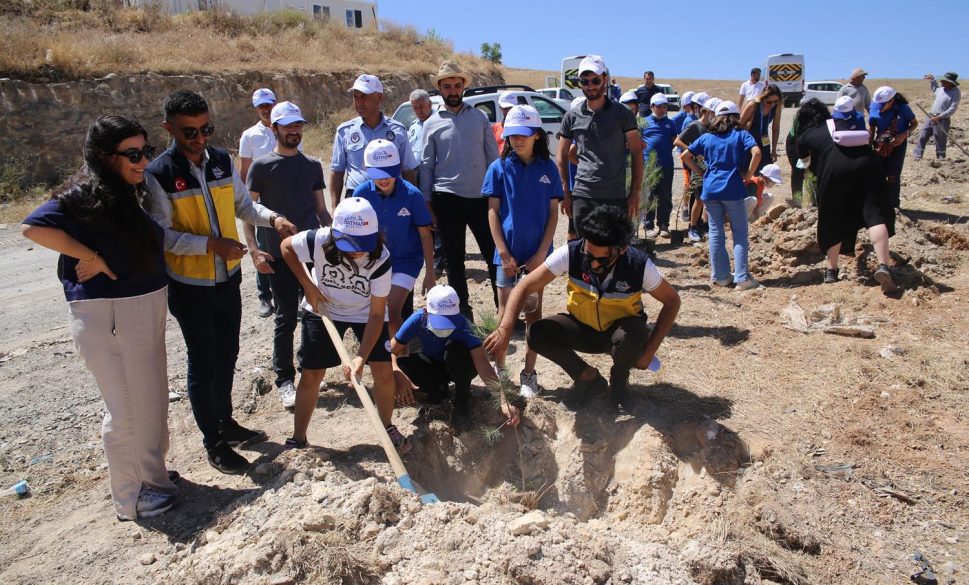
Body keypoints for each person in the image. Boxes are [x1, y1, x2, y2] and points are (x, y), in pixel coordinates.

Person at [22, 116, 178, 520]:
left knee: (151, 400)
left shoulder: (129, 191)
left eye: (146, 150)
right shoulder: (84, 194)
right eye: (132, 154)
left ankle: (153, 475)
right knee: (127, 408)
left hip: (142, 304)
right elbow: (33, 228)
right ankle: (132, 497)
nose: (143, 160)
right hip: (110, 313)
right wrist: (89, 257)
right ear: (106, 157)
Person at [145, 90, 296, 474]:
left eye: (205, 129)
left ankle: (225, 423)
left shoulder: (221, 162)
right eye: (189, 132)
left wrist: (272, 218)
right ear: (169, 129)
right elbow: (160, 235)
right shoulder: (159, 174)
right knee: (204, 363)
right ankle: (213, 442)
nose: (199, 138)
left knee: (227, 355)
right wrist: (210, 245)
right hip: (189, 285)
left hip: (227, 280)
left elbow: (244, 205)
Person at [484, 206, 681, 410]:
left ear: (621, 249)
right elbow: (524, 286)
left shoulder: (638, 265)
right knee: (537, 333)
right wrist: (505, 328)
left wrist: (650, 351)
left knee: (636, 333)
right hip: (582, 329)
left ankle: (619, 381)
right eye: (589, 256)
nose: (594, 264)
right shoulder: (572, 252)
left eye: (602, 259)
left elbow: (672, 301)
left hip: (618, 335)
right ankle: (587, 378)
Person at [279, 197, 409, 452]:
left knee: (382, 370)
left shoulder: (381, 260)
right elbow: (286, 247)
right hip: (324, 309)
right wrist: (307, 284)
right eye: (350, 245)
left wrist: (360, 358)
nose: (357, 252)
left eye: (362, 244)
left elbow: (375, 315)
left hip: (364, 314)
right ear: (335, 234)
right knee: (312, 373)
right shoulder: (318, 239)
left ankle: (387, 427)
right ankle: (299, 437)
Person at [242, 101, 329, 410]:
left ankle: (310, 370)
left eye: (298, 125)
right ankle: (284, 379)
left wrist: (336, 243)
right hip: (277, 257)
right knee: (285, 317)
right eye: (288, 125)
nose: (294, 130)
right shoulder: (262, 166)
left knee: (313, 312)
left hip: (309, 253)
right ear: (274, 128)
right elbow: (248, 211)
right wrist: (254, 251)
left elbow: (321, 210)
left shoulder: (312, 166)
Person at [484, 105, 562, 398]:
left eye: (523, 135)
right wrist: (503, 252)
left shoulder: (548, 169)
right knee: (504, 313)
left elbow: (553, 214)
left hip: (537, 260)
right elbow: (492, 213)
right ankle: (501, 372)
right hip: (507, 258)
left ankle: (529, 374)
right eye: (511, 135)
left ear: (537, 136)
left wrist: (542, 252)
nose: (516, 141)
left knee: (533, 315)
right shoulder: (498, 168)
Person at [420, 60, 500, 318]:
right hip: (447, 199)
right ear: (440, 90)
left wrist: (497, 198)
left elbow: (493, 160)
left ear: (463, 87)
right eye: (447, 86)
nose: (452, 90)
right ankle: (462, 313)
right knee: (455, 261)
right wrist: (427, 205)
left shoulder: (479, 118)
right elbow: (426, 167)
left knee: (493, 255)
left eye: (456, 85)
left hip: (480, 199)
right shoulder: (431, 124)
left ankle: (504, 310)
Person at [794, 99, 898, 293]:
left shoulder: (808, 134)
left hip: (834, 171)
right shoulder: (853, 125)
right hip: (868, 164)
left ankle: (831, 271)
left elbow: (805, 163)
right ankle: (883, 266)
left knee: (831, 219)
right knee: (875, 214)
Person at [390, 285, 520, 430]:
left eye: (449, 320)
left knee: (456, 348)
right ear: (427, 311)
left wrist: (503, 400)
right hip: (432, 367)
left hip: (456, 366)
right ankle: (438, 392)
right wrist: (396, 371)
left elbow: (482, 365)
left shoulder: (463, 325)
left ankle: (462, 396)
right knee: (404, 364)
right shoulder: (417, 320)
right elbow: (390, 351)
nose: (445, 327)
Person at [354, 139, 435, 337]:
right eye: (377, 173)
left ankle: (398, 358)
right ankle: (377, 348)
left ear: (398, 168)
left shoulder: (412, 194)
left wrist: (430, 273)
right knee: (372, 309)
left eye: (389, 172)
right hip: (373, 260)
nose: (384, 179)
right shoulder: (361, 194)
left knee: (393, 309)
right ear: (367, 169)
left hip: (406, 261)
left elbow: (425, 234)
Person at [557, 55, 643, 238]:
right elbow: (562, 155)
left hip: (615, 196)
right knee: (584, 252)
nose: (591, 85)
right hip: (583, 196)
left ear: (605, 79)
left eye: (595, 80)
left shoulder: (623, 114)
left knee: (613, 253)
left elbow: (636, 152)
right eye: (585, 81)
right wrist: (565, 191)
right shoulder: (571, 117)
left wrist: (635, 192)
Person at [682, 101, 762, 290]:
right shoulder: (741, 134)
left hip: (710, 190)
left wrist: (702, 173)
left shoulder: (708, 137)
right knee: (740, 233)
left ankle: (721, 277)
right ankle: (742, 278)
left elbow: (685, 155)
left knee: (716, 233)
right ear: (736, 117)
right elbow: (757, 152)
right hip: (732, 188)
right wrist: (749, 175)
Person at [330, 74, 417, 209]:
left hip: (391, 198)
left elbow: (408, 170)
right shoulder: (344, 131)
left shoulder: (397, 130)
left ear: (379, 97)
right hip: (356, 199)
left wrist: (411, 203)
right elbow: (337, 171)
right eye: (356, 96)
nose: (359, 102)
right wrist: (335, 207)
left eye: (364, 96)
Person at [239, 88, 278, 318]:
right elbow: (244, 170)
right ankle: (265, 296)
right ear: (256, 108)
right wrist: (247, 200)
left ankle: (294, 294)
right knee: (263, 248)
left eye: (269, 104)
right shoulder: (250, 135)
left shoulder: (284, 128)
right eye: (261, 106)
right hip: (261, 202)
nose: (266, 109)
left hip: (284, 197)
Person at [406, 89, 446, 277]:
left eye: (421, 106)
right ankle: (425, 256)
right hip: (416, 175)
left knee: (436, 217)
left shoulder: (439, 122)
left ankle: (439, 262)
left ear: (430, 105)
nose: (419, 110)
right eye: (415, 108)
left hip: (435, 175)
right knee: (420, 215)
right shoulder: (413, 126)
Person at [673, 94, 715, 242]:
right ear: (705, 111)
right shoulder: (695, 125)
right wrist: (693, 152)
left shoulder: (712, 127)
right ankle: (693, 228)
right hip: (697, 168)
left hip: (709, 167)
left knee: (708, 199)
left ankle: (704, 226)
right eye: (712, 112)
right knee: (698, 198)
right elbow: (678, 141)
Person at [868, 86, 917, 209]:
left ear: (891, 101)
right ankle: (878, 203)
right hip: (880, 145)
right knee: (878, 174)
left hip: (898, 145)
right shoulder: (874, 108)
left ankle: (893, 205)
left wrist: (903, 135)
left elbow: (914, 124)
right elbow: (872, 129)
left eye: (883, 105)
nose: (880, 109)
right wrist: (869, 148)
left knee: (893, 176)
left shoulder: (903, 109)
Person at [640, 93, 677, 237]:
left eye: (664, 107)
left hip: (666, 165)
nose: (662, 109)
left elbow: (674, 141)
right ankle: (648, 226)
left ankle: (663, 225)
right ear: (651, 107)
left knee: (665, 195)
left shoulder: (670, 123)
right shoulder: (643, 122)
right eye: (659, 107)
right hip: (649, 167)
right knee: (649, 195)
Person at [914, 72, 961, 161]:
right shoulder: (942, 89)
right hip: (931, 115)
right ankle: (918, 155)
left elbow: (952, 108)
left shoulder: (956, 92)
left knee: (940, 138)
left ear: (950, 83)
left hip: (942, 119)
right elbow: (935, 89)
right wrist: (933, 80)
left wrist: (940, 117)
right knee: (923, 134)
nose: (942, 82)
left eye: (944, 81)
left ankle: (941, 157)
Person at [740, 84, 782, 170]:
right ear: (763, 98)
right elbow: (739, 124)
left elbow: (775, 128)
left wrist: (774, 150)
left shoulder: (776, 107)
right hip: (749, 140)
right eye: (769, 102)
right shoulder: (753, 105)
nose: (772, 105)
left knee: (764, 170)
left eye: (775, 101)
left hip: (764, 140)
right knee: (748, 168)